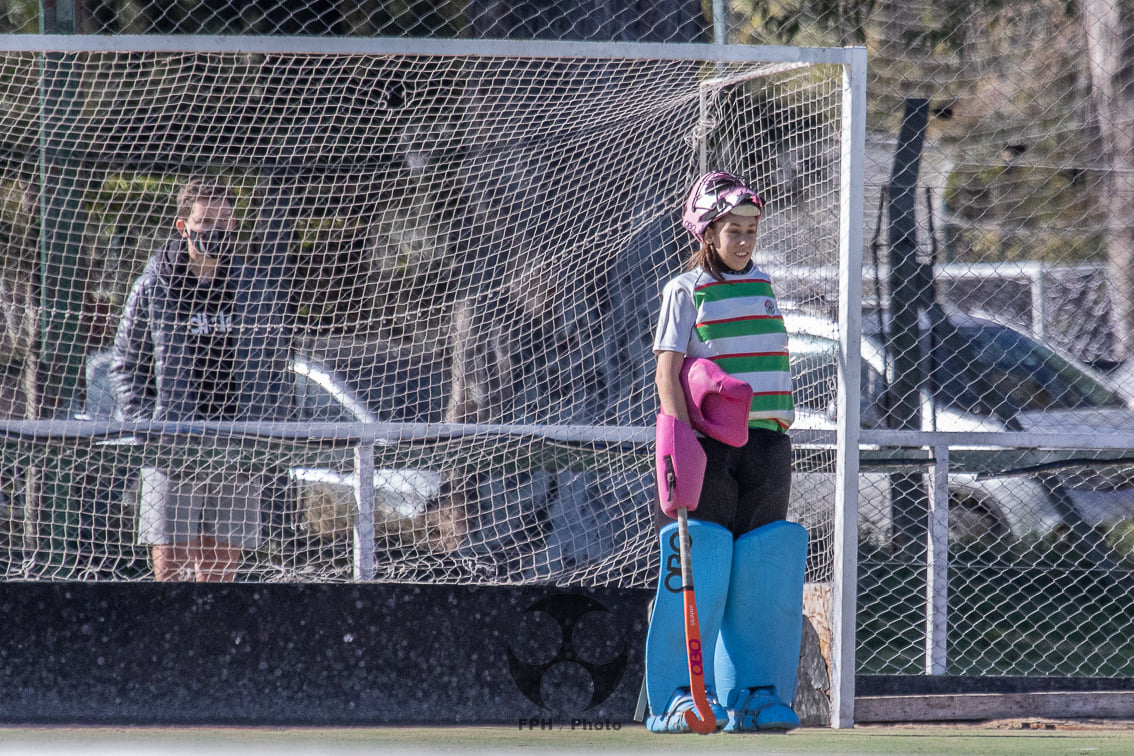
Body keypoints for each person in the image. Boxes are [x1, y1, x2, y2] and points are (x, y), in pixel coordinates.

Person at [644, 170, 808, 733]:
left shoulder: (762, 285)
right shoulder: (684, 290)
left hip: (766, 442)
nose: (743, 240)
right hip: (708, 445)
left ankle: (754, 695)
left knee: (761, 564)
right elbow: (667, 368)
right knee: (703, 559)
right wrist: (679, 434)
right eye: (732, 229)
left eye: (751, 229)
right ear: (706, 233)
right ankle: (680, 697)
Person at [109, 177, 293, 582]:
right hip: (173, 448)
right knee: (169, 569)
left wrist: (266, 425)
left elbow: (278, 367)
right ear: (183, 226)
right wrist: (146, 424)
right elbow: (125, 364)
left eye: (225, 222)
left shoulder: (253, 289)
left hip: (237, 447)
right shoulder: (153, 287)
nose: (216, 231)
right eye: (206, 221)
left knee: (219, 571)